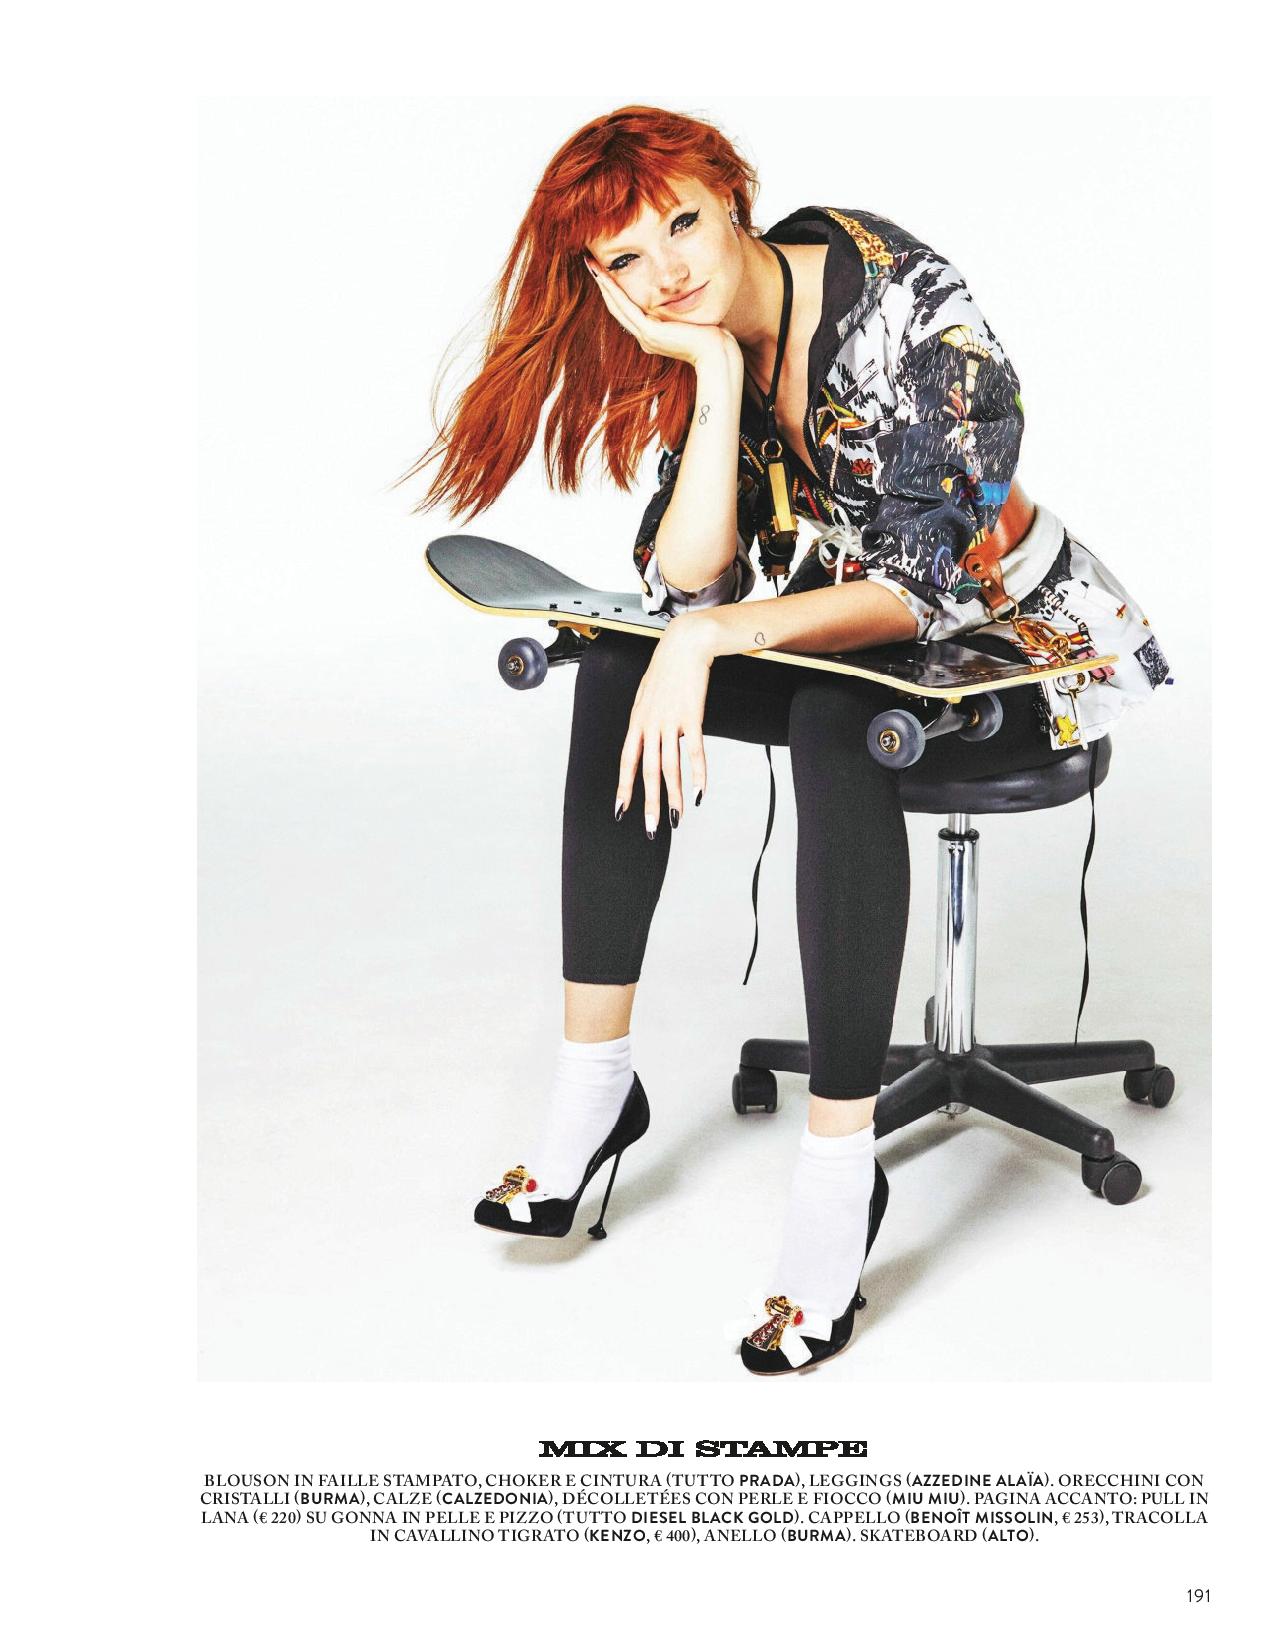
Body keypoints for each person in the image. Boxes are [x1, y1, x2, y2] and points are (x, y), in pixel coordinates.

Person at [408, 106, 1171, 1375]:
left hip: (1022, 644)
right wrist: (712, 379)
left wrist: (713, 637)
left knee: (833, 713)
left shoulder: (911, 308)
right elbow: (693, 584)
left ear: (732, 193)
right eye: (626, 259)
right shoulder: (711, 334)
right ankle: (594, 1097)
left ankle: (837, 1177)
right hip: (861, 633)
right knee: (621, 664)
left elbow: (922, 589)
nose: (668, 272)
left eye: (682, 224)